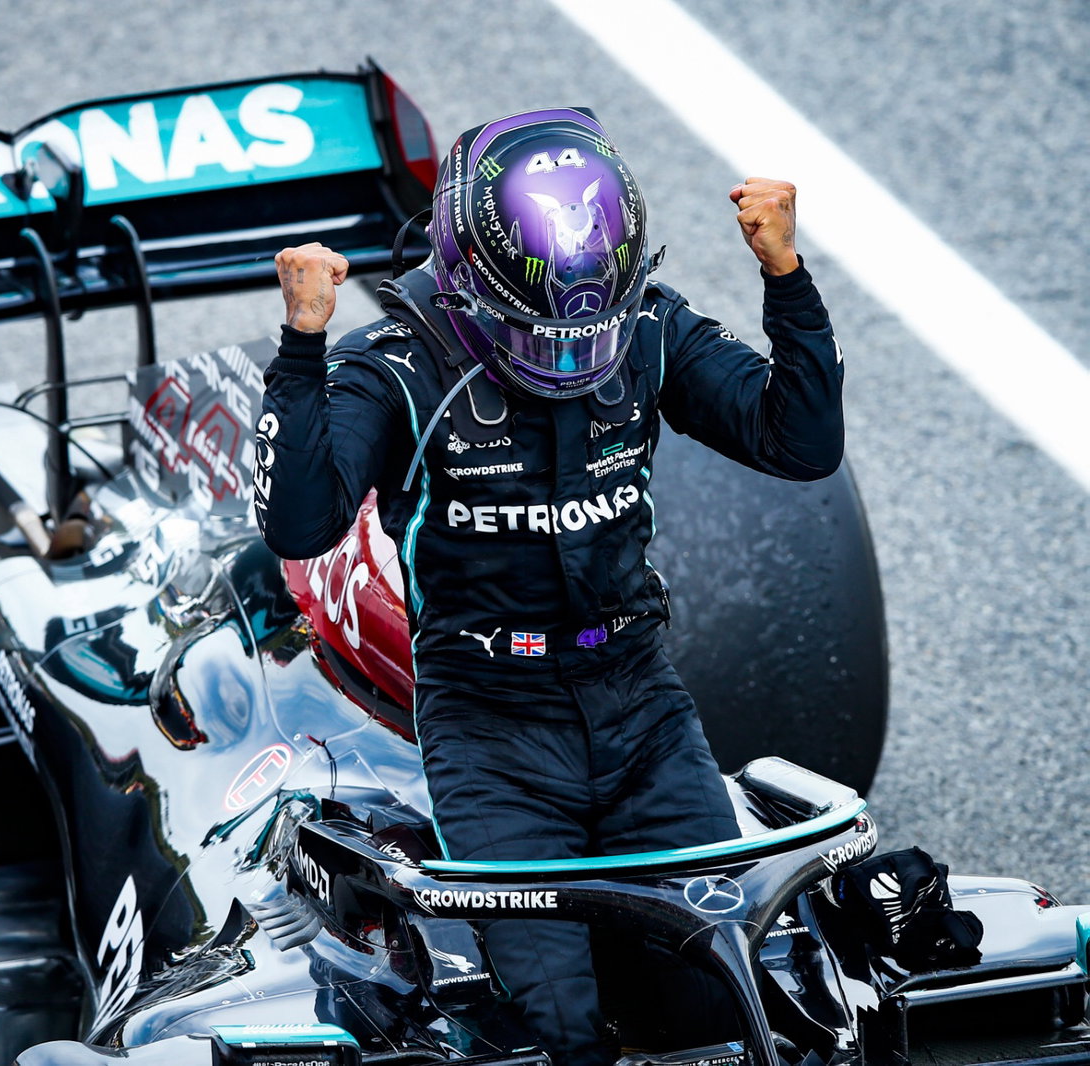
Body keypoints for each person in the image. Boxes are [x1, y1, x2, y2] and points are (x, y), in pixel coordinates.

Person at [252, 108, 844, 1063]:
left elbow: (801, 443)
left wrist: (786, 275)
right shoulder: (397, 367)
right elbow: (299, 525)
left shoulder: (650, 328)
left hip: (642, 707)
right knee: (556, 1028)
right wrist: (303, 348)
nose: (571, 354)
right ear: (470, 279)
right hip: (490, 730)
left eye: (591, 329)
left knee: (719, 1012)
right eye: (542, 331)